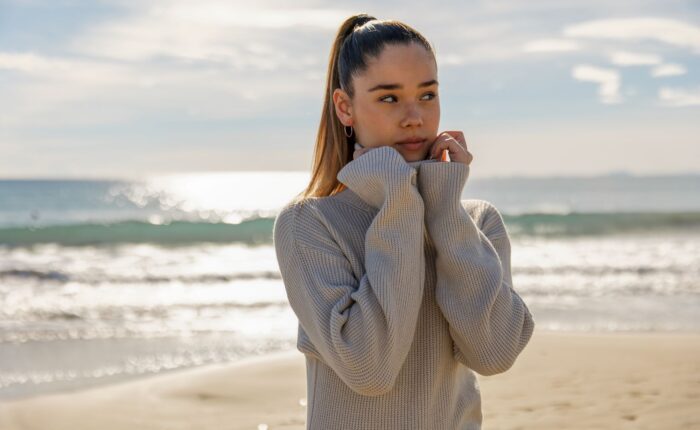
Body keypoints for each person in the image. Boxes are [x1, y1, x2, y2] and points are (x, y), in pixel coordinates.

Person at [273, 13, 535, 430]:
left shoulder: (476, 222)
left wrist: (445, 212)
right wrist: (399, 201)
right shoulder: (308, 223)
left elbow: (494, 353)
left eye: (428, 95)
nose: (414, 116)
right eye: (389, 98)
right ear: (346, 107)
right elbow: (370, 369)